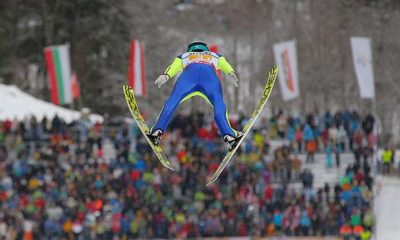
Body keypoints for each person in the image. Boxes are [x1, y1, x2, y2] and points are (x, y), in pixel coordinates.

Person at [148, 41, 243, 149]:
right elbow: (225, 65)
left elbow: (173, 67)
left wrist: (166, 76)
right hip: (209, 78)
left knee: (172, 101)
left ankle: (157, 131)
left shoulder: (183, 56)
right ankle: (229, 135)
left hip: (188, 77)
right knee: (218, 103)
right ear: (206, 49)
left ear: (190, 50)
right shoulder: (215, 55)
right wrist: (231, 73)